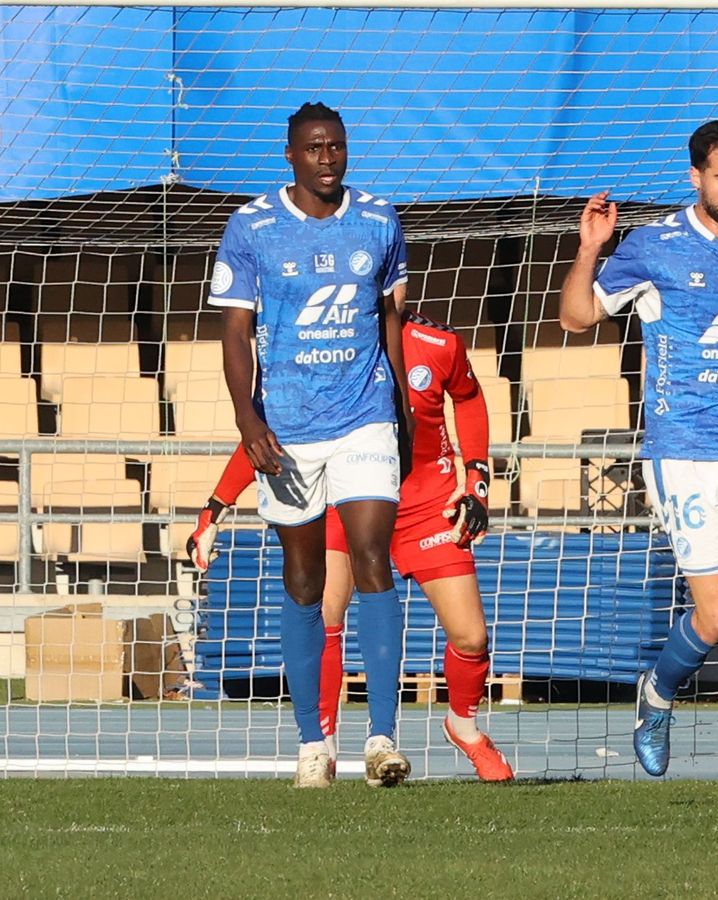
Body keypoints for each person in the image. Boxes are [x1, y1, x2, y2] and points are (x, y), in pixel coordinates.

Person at [558, 119, 718, 807]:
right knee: (717, 613)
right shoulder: (655, 248)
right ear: (697, 178)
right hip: (685, 456)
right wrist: (589, 250)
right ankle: (659, 687)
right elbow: (577, 317)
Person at [188, 310, 512, 783]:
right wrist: (216, 506)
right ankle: (324, 745)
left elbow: (469, 397)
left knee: (472, 637)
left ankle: (462, 724)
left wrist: (477, 477)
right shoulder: (323, 348)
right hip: (350, 500)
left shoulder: (438, 344)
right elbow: (273, 433)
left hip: (425, 504)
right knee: (327, 610)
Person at [206, 102, 412, 789]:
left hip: (365, 417)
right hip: (288, 429)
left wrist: (401, 418)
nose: (329, 158)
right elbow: (235, 333)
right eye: (315, 148)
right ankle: (312, 745)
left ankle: (382, 738)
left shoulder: (380, 221)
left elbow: (389, 320)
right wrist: (248, 418)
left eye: (338, 147)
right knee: (305, 582)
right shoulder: (252, 227)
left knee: (372, 554)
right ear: (290, 155)